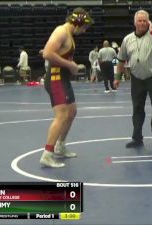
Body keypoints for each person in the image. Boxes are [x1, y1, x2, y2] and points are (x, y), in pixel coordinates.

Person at [39, 7, 94, 168]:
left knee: (72, 111)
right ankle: (47, 154)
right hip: (56, 79)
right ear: (78, 22)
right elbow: (47, 54)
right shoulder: (62, 31)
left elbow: (51, 51)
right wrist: (70, 64)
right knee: (62, 115)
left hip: (62, 79)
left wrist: (57, 55)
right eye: (84, 27)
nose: (84, 31)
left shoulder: (67, 34)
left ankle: (60, 146)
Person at [114, 10, 152, 149]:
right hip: (136, 78)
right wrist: (117, 78)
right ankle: (137, 138)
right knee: (137, 109)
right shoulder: (127, 39)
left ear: (148, 22)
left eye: (145, 21)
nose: (142, 23)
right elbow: (120, 60)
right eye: (140, 20)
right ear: (135, 22)